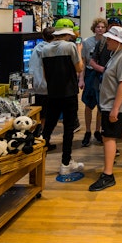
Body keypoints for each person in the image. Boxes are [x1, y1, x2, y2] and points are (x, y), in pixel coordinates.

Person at [88, 25, 122, 192]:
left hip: (115, 103)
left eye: (109, 40)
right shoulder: (118, 54)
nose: (106, 42)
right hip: (115, 102)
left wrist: (115, 109)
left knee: (108, 136)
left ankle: (108, 174)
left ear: (117, 41)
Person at [30, 26, 84, 175]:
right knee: (68, 129)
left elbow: (46, 74)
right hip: (69, 93)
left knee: (47, 128)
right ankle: (65, 163)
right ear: (66, 35)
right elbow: (79, 68)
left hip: (52, 93)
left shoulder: (45, 49)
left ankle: (37, 161)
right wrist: (79, 51)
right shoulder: (70, 46)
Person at [78, 17, 111, 147]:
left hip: (101, 75)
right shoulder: (87, 42)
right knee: (88, 103)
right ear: (94, 28)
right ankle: (87, 131)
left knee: (100, 105)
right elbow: (84, 62)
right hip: (90, 74)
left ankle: (98, 130)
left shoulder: (107, 42)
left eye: (103, 27)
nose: (100, 29)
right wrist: (81, 79)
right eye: (98, 27)